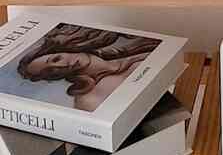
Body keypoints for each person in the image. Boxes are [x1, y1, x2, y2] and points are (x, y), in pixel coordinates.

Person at [17, 25, 160, 112]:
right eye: (52, 71)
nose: (62, 65)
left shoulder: (127, 47)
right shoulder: (88, 99)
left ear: (63, 50)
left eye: (56, 59)